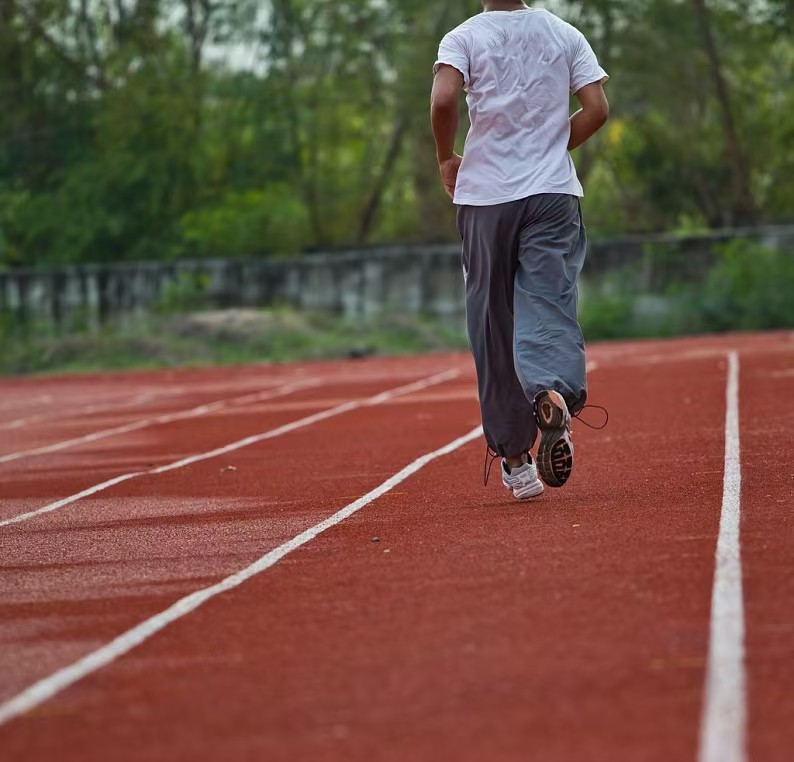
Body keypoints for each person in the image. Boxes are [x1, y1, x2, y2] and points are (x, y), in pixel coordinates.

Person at [430, 1, 609, 500]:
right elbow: (597, 109)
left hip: (485, 197)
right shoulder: (564, 33)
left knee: (492, 319)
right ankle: (552, 390)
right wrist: (546, 150)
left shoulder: (463, 37)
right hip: (551, 195)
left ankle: (515, 460)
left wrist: (445, 158)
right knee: (547, 300)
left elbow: (443, 99)